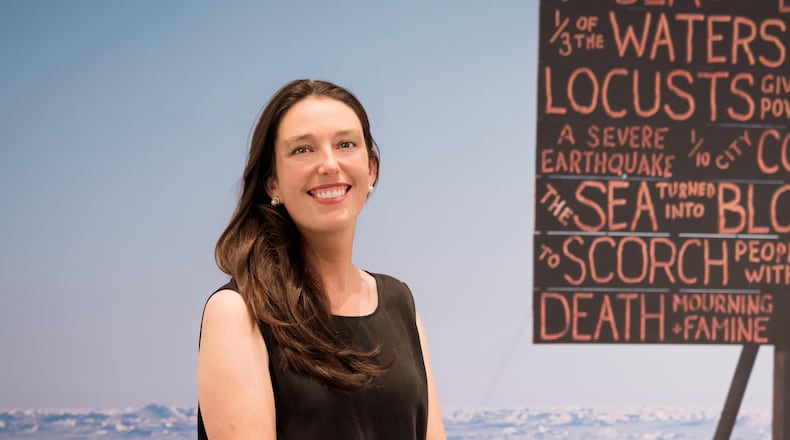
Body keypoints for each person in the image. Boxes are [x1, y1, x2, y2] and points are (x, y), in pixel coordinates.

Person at [197, 79, 446, 439]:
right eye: (302, 150)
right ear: (272, 183)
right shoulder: (238, 312)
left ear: (371, 168)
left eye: (345, 144)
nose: (329, 164)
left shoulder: (399, 302)